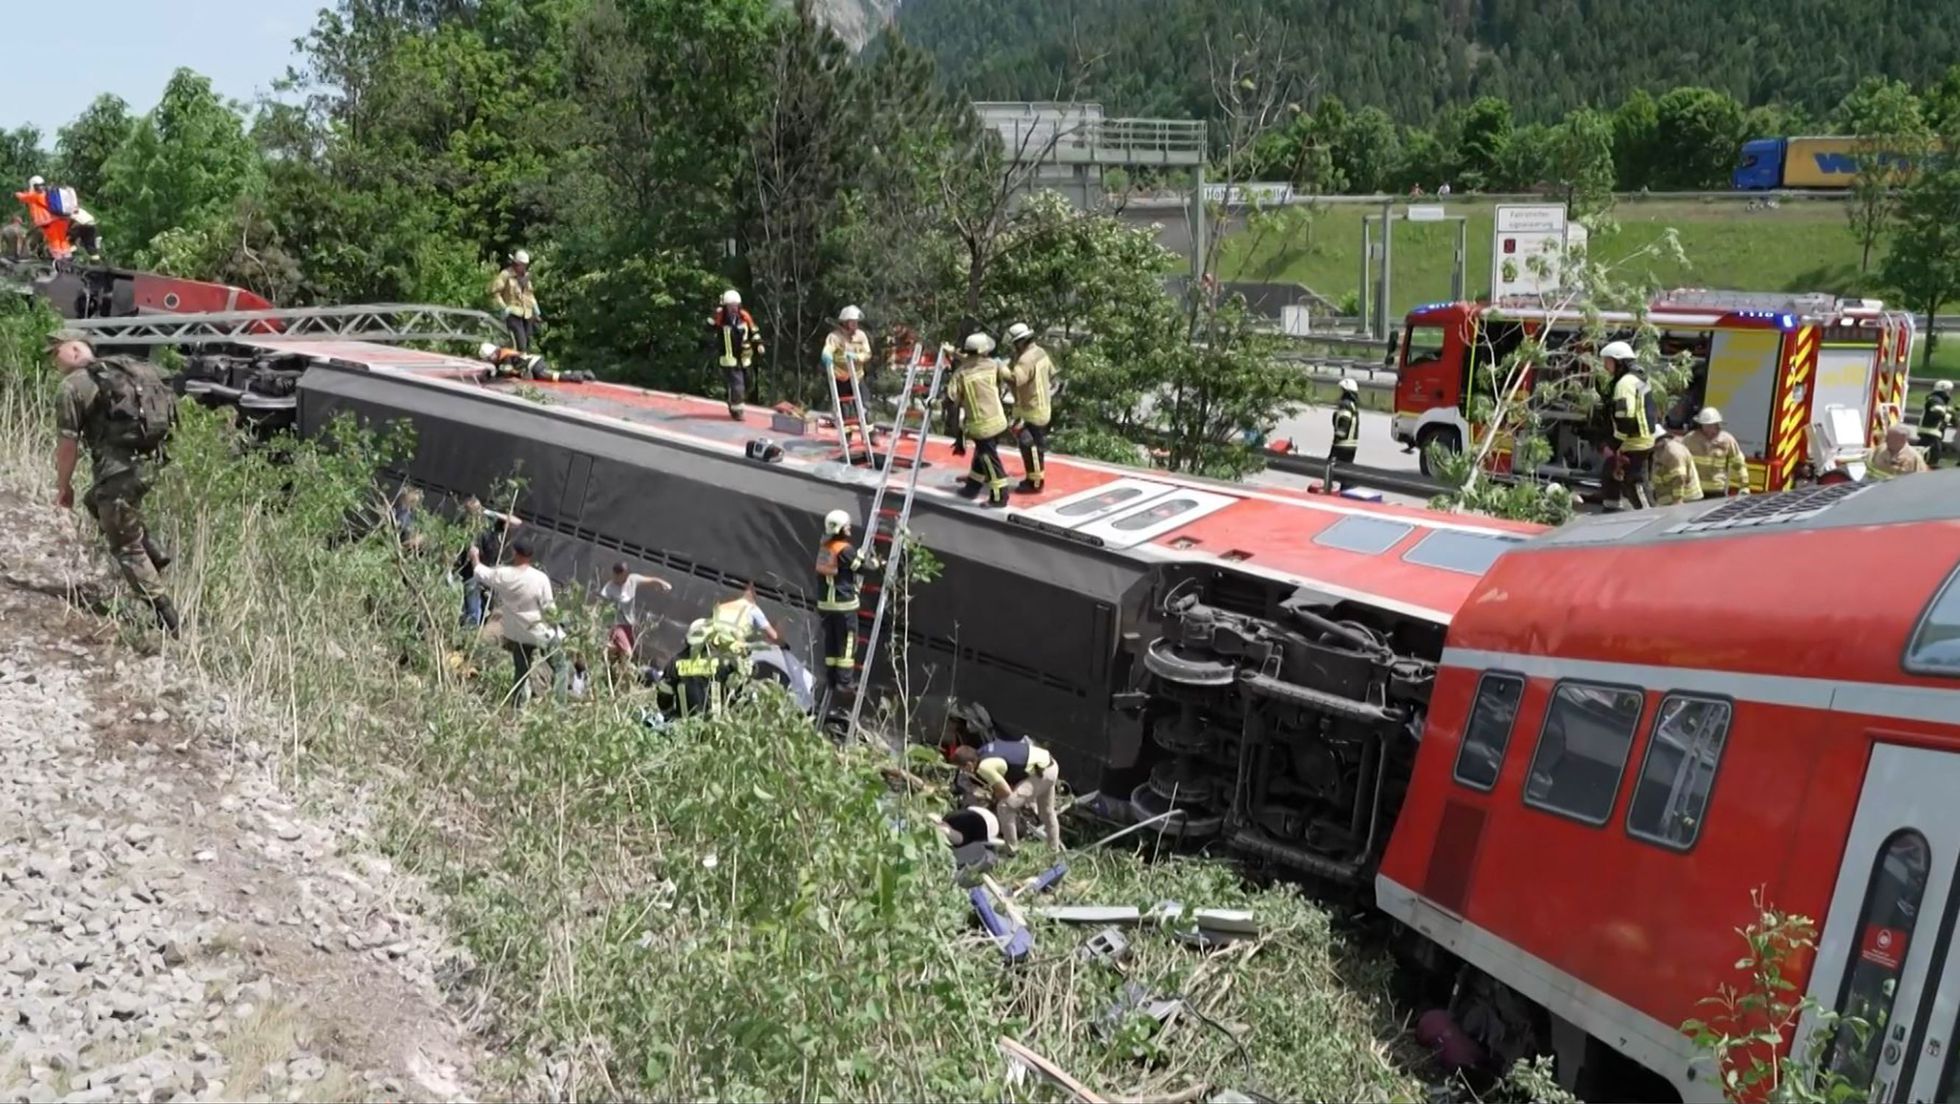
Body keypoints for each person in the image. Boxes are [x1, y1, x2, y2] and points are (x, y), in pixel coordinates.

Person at [49, 330, 179, 635]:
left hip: (116, 470)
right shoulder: (128, 369)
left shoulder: (72, 386)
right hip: (150, 463)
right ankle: (155, 552)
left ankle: (167, 618)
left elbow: (67, 445)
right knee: (95, 501)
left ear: (78, 351)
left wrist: (63, 486)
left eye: (58, 352)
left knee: (124, 544)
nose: (54, 360)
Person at [468, 538, 566, 706]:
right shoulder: (540, 578)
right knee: (561, 666)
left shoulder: (505, 574)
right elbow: (550, 610)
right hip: (539, 631)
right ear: (530, 556)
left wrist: (474, 557)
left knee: (521, 672)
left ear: (515, 554)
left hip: (517, 633)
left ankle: (517, 706)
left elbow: (480, 573)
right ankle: (559, 706)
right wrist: (558, 630)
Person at [952, 729, 1063, 852]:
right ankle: (1054, 850)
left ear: (969, 765)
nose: (965, 772)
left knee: (1004, 807)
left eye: (964, 769)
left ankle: (1012, 849)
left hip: (1040, 773)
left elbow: (1006, 792)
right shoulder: (984, 750)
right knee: (1047, 812)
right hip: (1049, 764)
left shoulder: (984, 767)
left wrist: (994, 798)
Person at [815, 508, 877, 695]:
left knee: (832, 641)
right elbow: (864, 569)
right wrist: (875, 562)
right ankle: (844, 681)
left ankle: (832, 678)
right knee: (848, 642)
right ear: (841, 529)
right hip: (844, 604)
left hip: (825, 604)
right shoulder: (845, 549)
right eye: (847, 526)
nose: (850, 528)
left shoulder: (825, 547)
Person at [948, 332, 1012, 509]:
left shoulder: (961, 373)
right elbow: (1008, 376)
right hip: (998, 421)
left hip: (982, 425)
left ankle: (1000, 497)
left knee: (989, 459)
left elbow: (951, 398)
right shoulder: (993, 365)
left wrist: (932, 403)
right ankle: (972, 487)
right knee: (981, 454)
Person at [1001, 322, 1056, 493]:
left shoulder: (1025, 359)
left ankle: (1035, 483)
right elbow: (1052, 374)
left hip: (1031, 410)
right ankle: (1035, 480)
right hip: (1042, 407)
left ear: (1019, 342)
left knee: (1029, 445)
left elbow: (1015, 379)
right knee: (1034, 445)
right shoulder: (1041, 353)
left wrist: (1000, 368)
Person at [1602, 340, 1656, 512]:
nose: (1605, 366)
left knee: (1635, 483)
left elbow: (1625, 417)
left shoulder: (1625, 383)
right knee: (1626, 480)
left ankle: (1650, 519)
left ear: (1618, 361)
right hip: (1643, 440)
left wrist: (1614, 444)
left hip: (1634, 443)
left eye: (1607, 361)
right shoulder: (1638, 377)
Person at [455, 497, 523, 627]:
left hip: (490, 569)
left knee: (488, 607)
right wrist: (479, 571)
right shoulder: (467, 528)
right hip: (473, 573)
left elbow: (516, 522)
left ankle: (476, 631)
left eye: (479, 510)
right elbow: (473, 554)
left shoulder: (489, 522)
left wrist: (492, 513)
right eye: (475, 512)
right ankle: (469, 634)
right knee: (473, 610)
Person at [655, 619, 740, 720]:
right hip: (716, 726)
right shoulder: (723, 662)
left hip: (686, 726)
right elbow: (737, 692)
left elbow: (664, 697)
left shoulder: (675, 662)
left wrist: (669, 714)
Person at [823, 306, 874, 458]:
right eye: (853, 323)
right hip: (841, 377)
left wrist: (857, 357)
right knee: (844, 409)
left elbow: (868, 353)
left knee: (865, 406)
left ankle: (870, 435)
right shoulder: (835, 337)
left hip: (857, 376)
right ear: (845, 322)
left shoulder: (861, 336)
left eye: (857, 323)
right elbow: (827, 349)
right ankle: (847, 437)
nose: (855, 326)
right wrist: (827, 356)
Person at [601, 562, 673, 669]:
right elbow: (601, 608)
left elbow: (649, 580)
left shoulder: (632, 580)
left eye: (626, 575)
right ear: (616, 575)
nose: (625, 578)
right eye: (622, 576)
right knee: (627, 653)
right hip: (617, 626)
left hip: (629, 625)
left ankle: (614, 669)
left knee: (628, 653)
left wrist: (662, 583)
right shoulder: (608, 589)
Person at [708, 289, 763, 420]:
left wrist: (759, 344)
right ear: (725, 306)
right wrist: (714, 315)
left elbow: (754, 331)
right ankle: (737, 412)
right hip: (729, 358)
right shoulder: (720, 318)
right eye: (730, 306)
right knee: (738, 385)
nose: (733, 308)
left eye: (736, 305)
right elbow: (708, 326)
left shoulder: (744, 317)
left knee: (749, 383)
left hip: (744, 358)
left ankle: (731, 397)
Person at [1686, 407, 1750, 497]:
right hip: (1695, 490)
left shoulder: (1727, 440)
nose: (1707, 429)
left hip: (1717, 490)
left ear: (1717, 424)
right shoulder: (1690, 439)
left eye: (1710, 425)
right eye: (1705, 425)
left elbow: (1738, 464)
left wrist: (1744, 486)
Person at [708, 582, 784, 657]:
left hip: (713, 643)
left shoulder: (721, 605)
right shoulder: (753, 609)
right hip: (733, 648)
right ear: (754, 595)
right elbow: (774, 636)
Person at [489, 250, 541, 353]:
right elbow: (495, 293)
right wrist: (503, 307)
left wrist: (536, 310)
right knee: (520, 342)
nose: (524, 267)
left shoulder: (526, 277)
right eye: (522, 265)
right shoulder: (506, 274)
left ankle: (524, 363)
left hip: (527, 313)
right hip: (513, 313)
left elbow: (529, 294)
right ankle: (518, 363)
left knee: (527, 342)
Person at [475, 342, 594, 384]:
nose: (490, 361)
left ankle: (579, 376)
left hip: (534, 364)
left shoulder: (505, 357)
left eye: (489, 358)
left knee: (551, 376)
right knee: (552, 375)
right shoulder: (502, 356)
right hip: (531, 366)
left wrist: (491, 376)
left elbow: (506, 372)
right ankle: (577, 374)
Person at [14, 176, 72, 262]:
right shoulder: (49, 194)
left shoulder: (36, 195)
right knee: (62, 239)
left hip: (48, 221)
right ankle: (67, 256)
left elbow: (22, 197)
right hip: (62, 218)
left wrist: (17, 192)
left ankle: (59, 260)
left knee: (54, 239)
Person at [1651, 420, 1704, 507]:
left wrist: (1677, 500)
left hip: (1686, 499)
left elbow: (1679, 477)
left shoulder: (1673, 452)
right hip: (1670, 499)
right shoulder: (1660, 451)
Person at [1330, 377, 1361, 491]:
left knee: (1330, 469)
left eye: (1342, 390)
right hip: (1351, 445)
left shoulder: (1346, 405)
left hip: (1342, 445)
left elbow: (1344, 422)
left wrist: (1338, 438)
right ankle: (1347, 491)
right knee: (1344, 472)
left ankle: (1346, 492)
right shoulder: (1353, 405)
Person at [1918, 380, 1954, 469]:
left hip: (1932, 433)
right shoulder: (1936, 400)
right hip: (1931, 432)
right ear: (1944, 389)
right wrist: (1949, 417)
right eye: (1949, 390)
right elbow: (1937, 412)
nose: (1950, 393)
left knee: (1928, 454)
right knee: (1932, 456)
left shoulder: (1937, 399)